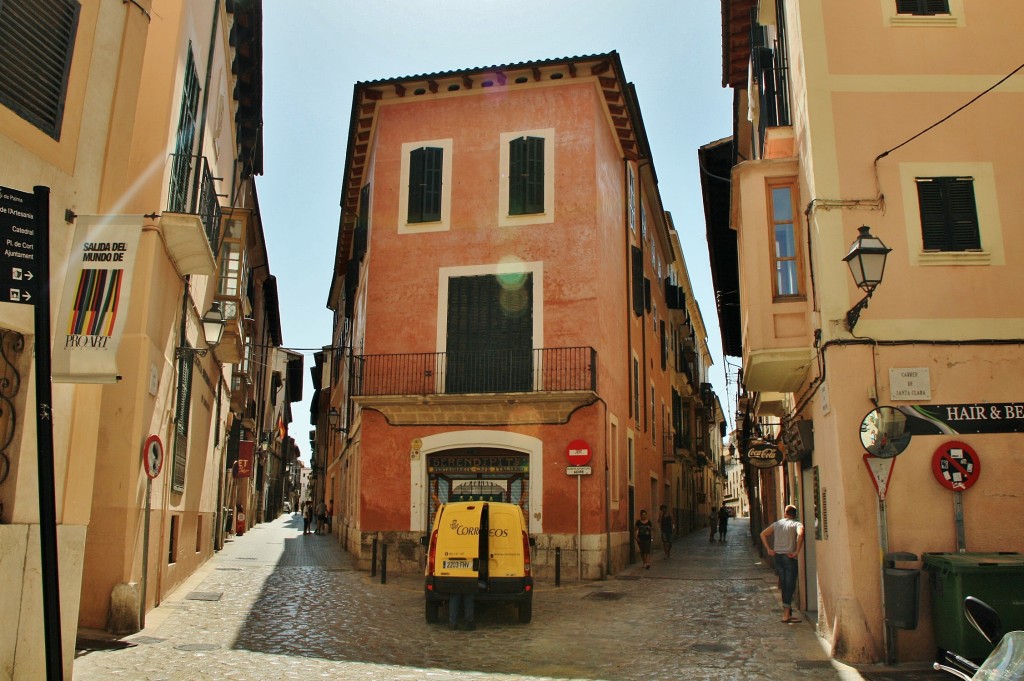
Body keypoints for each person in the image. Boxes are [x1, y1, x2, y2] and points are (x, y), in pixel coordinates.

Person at [760, 504, 806, 624]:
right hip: (789, 557)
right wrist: (797, 551)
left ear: (785, 513)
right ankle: (786, 614)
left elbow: (763, 534)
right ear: (795, 514)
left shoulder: (777, 524)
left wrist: (768, 549)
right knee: (789, 585)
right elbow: (801, 533)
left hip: (778, 557)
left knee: (784, 584)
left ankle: (787, 613)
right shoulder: (796, 524)